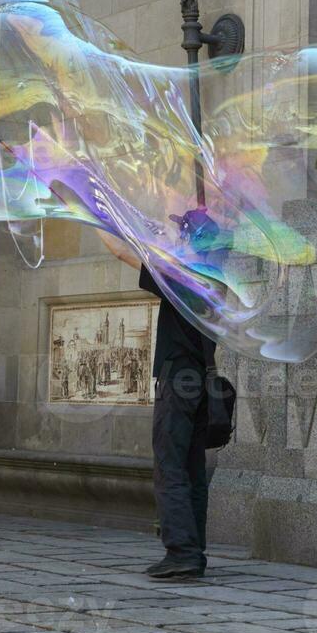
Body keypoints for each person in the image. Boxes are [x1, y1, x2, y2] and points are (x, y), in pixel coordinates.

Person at [98, 231, 215, 580]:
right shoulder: (210, 281)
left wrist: (85, 210)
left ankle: (181, 551)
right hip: (200, 380)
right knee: (192, 468)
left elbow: (121, 250)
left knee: (170, 465)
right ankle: (193, 551)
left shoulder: (180, 278)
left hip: (178, 377)